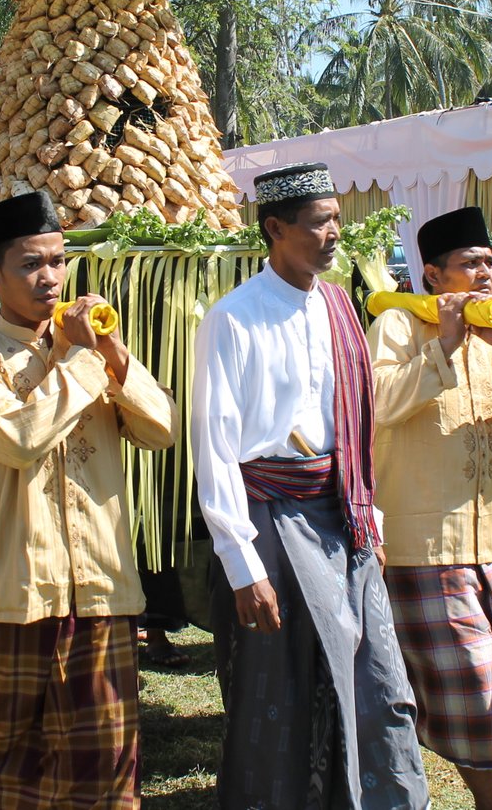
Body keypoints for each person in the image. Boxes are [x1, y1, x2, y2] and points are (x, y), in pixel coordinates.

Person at [192, 162, 429, 810]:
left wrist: (368, 520)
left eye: (336, 220)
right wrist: (243, 566)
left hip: (343, 517)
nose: (333, 234)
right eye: (319, 222)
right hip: (274, 522)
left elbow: (354, 427)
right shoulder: (233, 319)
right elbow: (213, 451)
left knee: (377, 677)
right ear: (275, 228)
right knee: (287, 688)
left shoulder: (337, 305)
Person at [0, 192, 177, 809]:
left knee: (105, 759)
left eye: (58, 260)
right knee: (1, 753)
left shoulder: (96, 352)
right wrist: (78, 359)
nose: (49, 278)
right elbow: (20, 440)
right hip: (20, 587)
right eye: (29, 264)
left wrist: (114, 354)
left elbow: (161, 430)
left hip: (103, 584)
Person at [367, 206, 492, 810]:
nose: (485, 274)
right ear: (432, 275)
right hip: (422, 539)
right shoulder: (399, 327)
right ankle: (489, 796)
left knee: (478, 666)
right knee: (465, 675)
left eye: (489, 262)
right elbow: (375, 404)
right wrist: (444, 347)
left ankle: (470, 788)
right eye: (469, 264)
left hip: (490, 531)